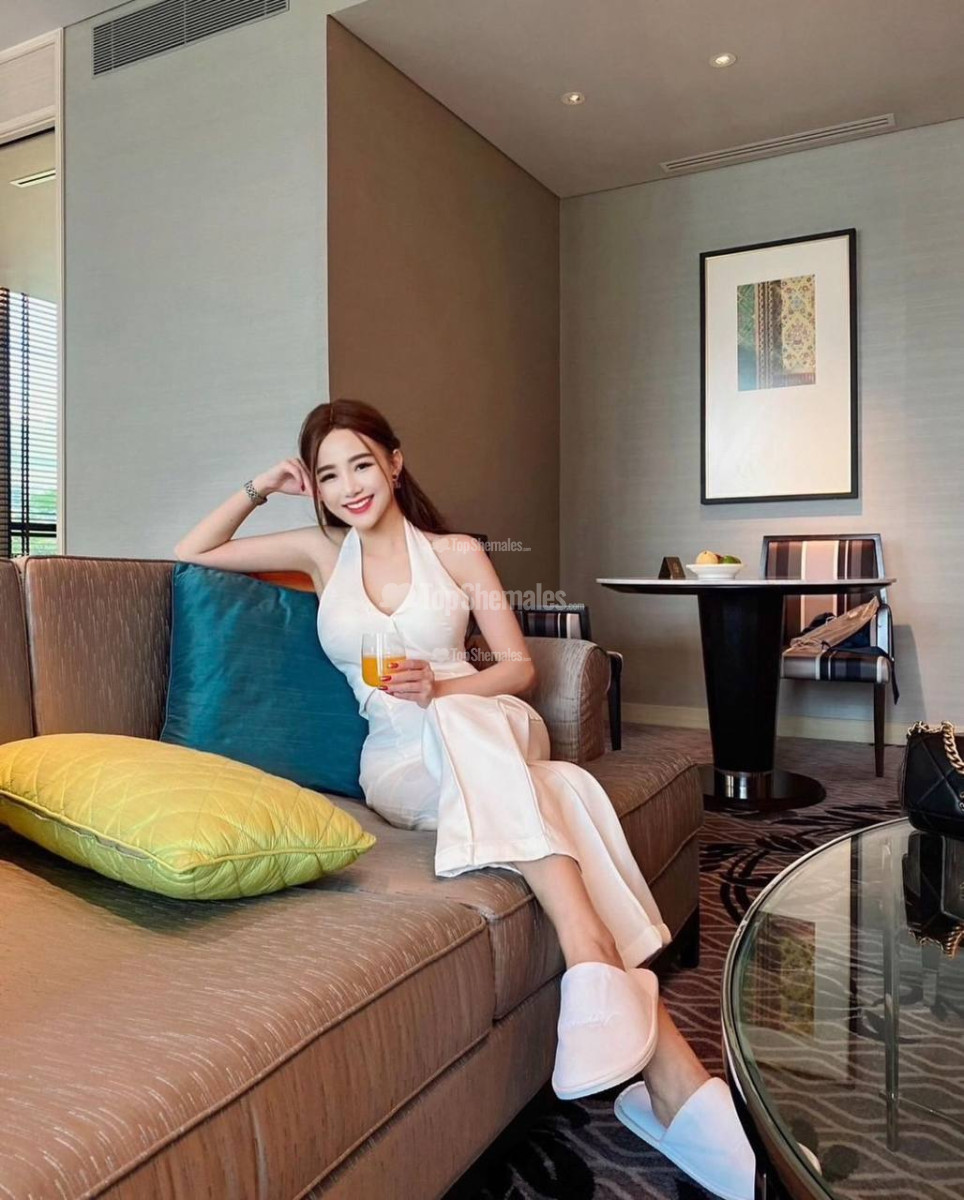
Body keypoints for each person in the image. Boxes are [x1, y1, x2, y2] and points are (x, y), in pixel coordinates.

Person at [174, 399, 754, 1200]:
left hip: (488, 724)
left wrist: (444, 686)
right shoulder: (319, 551)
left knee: (463, 720)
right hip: (399, 765)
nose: (349, 487)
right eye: (330, 474)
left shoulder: (455, 553)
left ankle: (605, 981)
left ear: (395, 462)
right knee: (562, 789)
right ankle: (662, 1065)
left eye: (362, 464)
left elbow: (519, 668)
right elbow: (192, 552)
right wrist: (259, 486)